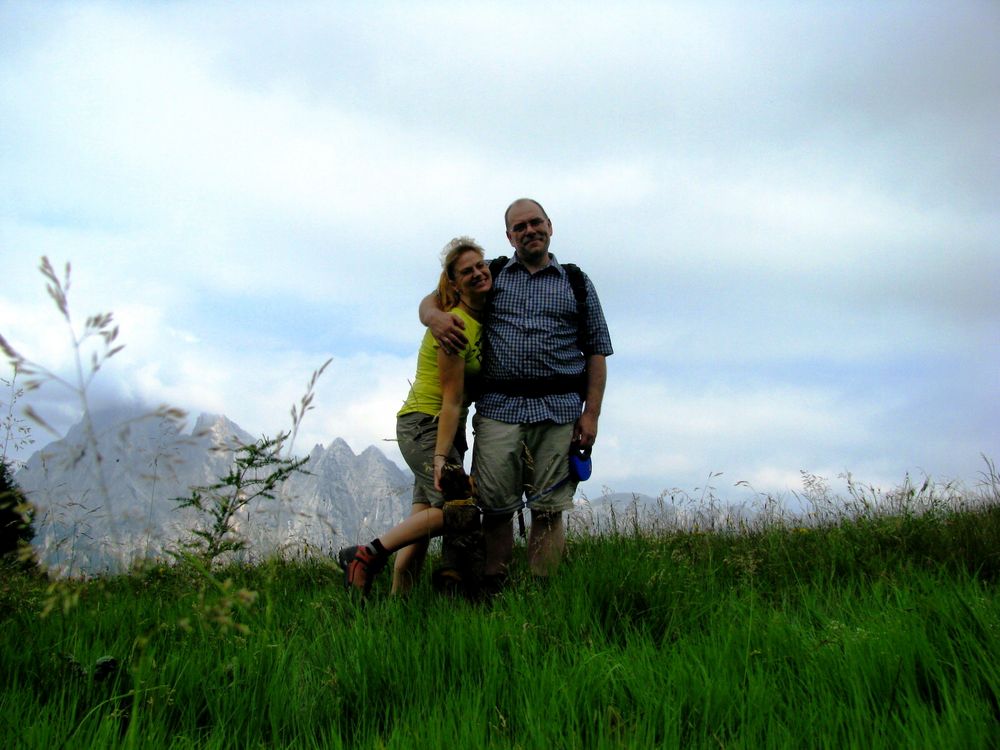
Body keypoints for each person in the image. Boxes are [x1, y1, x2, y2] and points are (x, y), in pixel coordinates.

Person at [420, 198, 613, 587]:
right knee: (494, 508)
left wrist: (591, 415)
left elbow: (596, 350)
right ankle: (495, 586)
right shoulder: (489, 275)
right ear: (509, 236)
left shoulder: (576, 281)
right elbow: (433, 298)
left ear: (550, 226)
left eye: (535, 223)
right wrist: (435, 317)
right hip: (498, 411)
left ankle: (542, 591)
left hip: (559, 412)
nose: (529, 231)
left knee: (548, 510)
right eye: (520, 227)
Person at [337, 237, 491, 595]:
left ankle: (399, 609)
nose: (477, 273)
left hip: (439, 428)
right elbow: (451, 401)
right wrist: (440, 457)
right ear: (453, 283)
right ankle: (365, 555)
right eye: (466, 271)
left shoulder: (480, 316)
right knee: (458, 510)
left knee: (419, 527)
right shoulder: (454, 325)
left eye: (480, 266)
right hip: (426, 423)